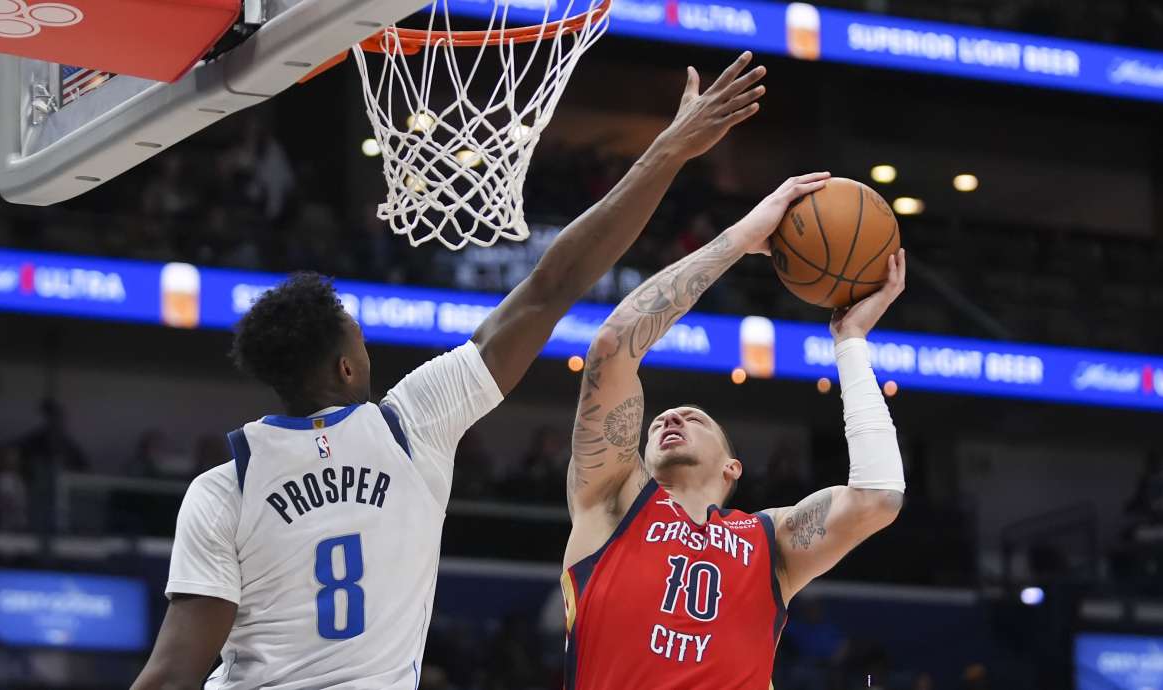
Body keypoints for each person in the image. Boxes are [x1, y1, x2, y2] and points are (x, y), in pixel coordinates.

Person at [131, 51, 769, 690]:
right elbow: (555, 284)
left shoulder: (225, 487)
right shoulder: (411, 425)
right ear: (348, 367)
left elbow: (172, 673)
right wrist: (669, 151)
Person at [560, 175, 908, 688]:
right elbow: (613, 344)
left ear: (732, 467)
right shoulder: (613, 501)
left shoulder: (771, 541)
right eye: (660, 421)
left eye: (693, 417)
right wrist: (742, 239)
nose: (669, 418)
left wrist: (850, 342)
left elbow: (878, 497)